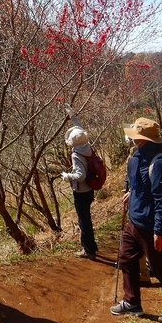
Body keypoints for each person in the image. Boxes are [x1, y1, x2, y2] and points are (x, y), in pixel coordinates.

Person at [110, 117, 162, 323]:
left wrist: (160, 231)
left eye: (135, 136)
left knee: (159, 267)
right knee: (126, 258)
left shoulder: (161, 163)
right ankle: (132, 302)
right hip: (134, 221)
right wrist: (131, 193)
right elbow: (137, 184)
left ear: (143, 140)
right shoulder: (136, 158)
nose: (132, 139)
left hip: (152, 225)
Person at [61, 106, 98, 260]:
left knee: (84, 220)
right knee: (86, 218)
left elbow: (80, 175)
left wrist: (67, 176)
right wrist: (72, 116)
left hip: (81, 191)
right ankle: (91, 246)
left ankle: (88, 249)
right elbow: (80, 129)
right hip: (90, 189)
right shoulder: (86, 146)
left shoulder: (77, 154)